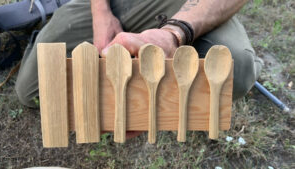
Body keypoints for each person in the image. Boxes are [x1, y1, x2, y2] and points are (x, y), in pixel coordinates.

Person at [15, 0, 263, 138]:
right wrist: (99, 12)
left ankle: (247, 56)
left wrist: (174, 34)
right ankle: (41, 32)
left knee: (235, 70)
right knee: (31, 93)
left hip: (181, 5)